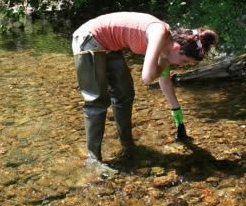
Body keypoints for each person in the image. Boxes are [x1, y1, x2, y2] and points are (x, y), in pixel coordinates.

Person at [72, 12, 218, 163]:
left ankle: (127, 143)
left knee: (125, 94)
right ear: (177, 47)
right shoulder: (158, 34)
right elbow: (147, 77)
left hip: (108, 46)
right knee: (97, 101)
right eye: (185, 61)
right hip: (88, 40)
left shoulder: (166, 48)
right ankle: (94, 160)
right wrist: (162, 65)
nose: (182, 65)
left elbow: (165, 81)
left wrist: (177, 111)